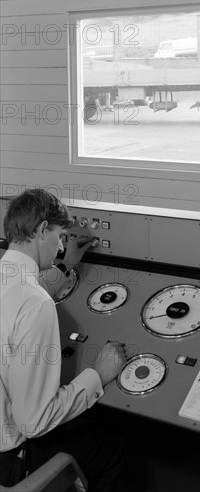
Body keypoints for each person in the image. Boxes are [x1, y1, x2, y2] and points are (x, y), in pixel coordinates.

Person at [0, 189, 127, 491]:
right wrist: (98, 375)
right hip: (11, 465)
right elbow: (34, 421)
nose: (61, 246)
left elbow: (23, 291)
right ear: (42, 229)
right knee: (111, 446)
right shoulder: (36, 304)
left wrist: (66, 267)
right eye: (60, 236)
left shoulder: (11, 279)